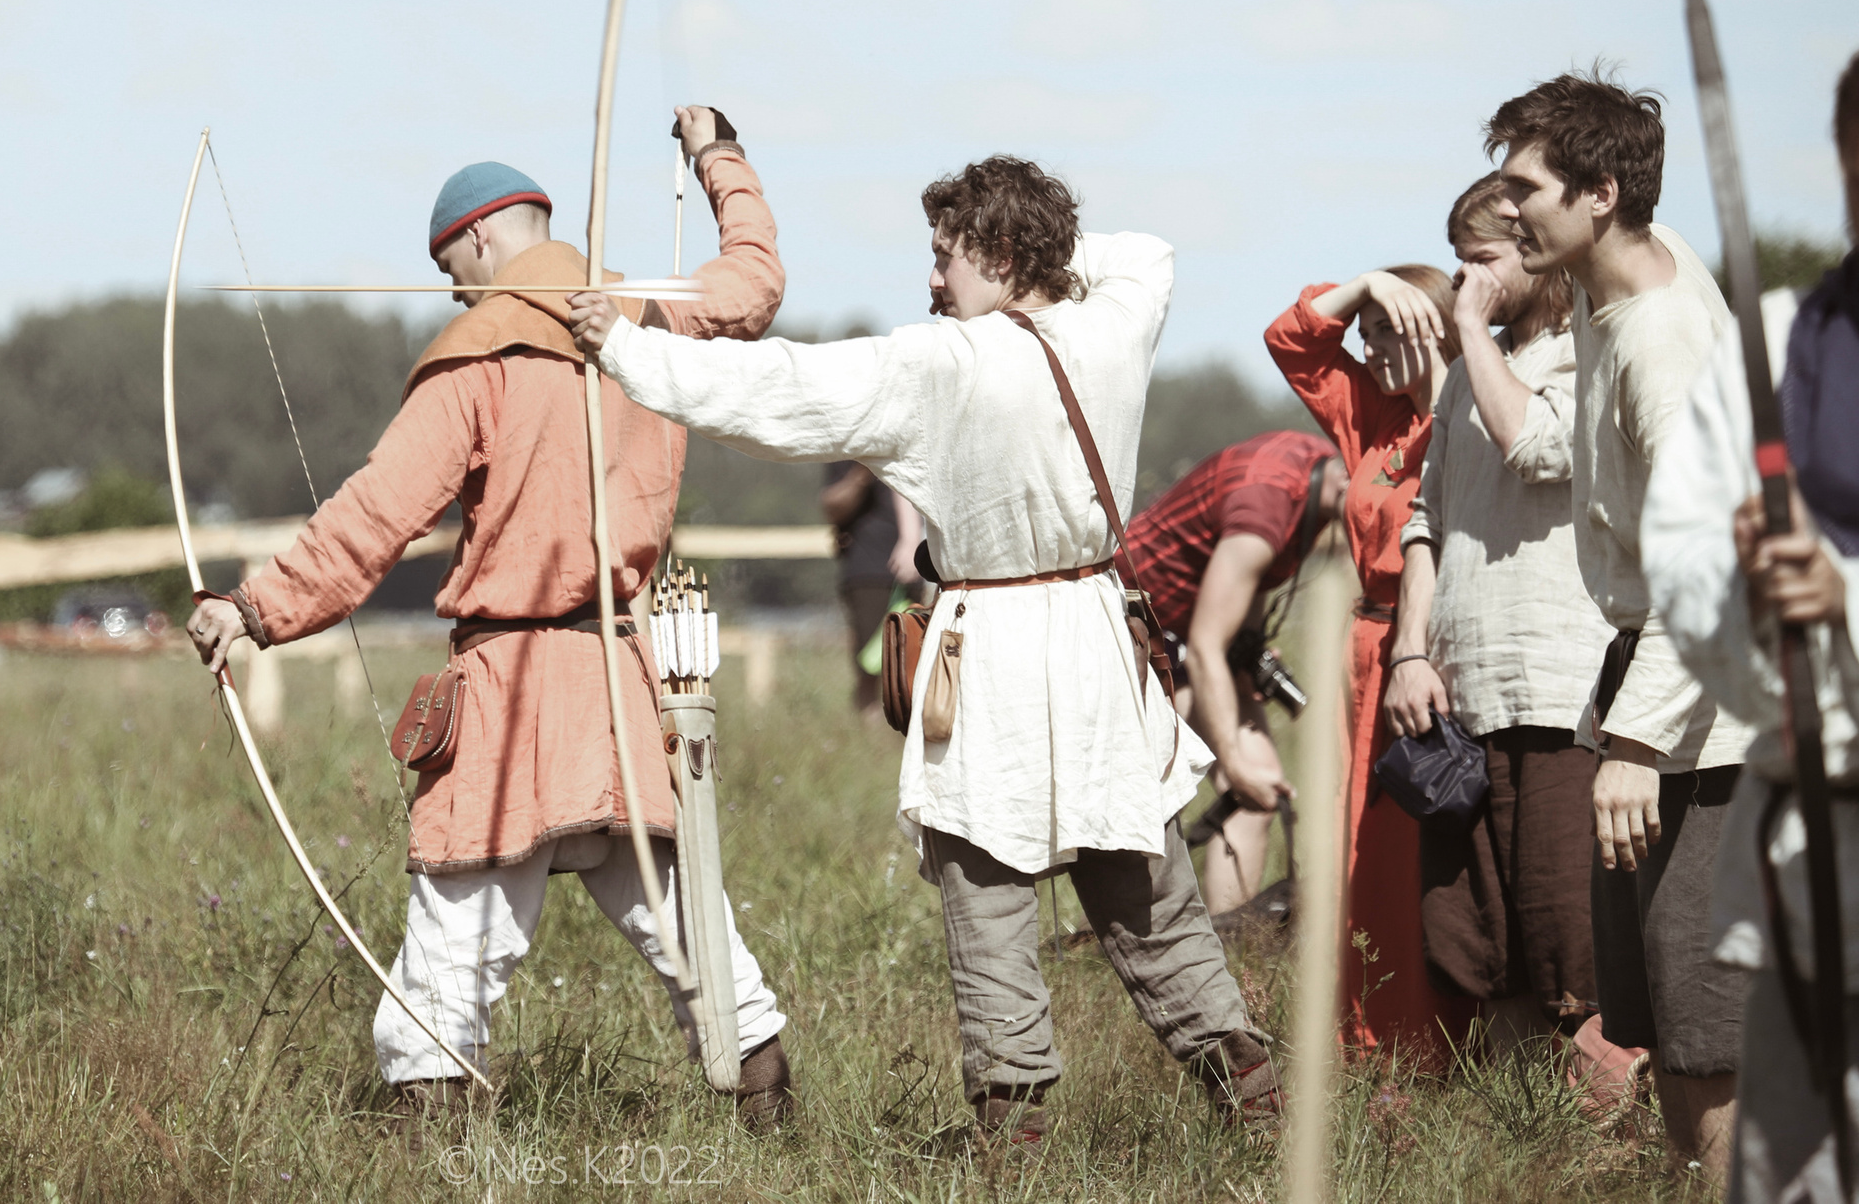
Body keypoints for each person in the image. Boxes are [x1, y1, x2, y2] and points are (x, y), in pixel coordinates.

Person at [572, 154, 1280, 1147]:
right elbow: (1143, 253)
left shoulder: (938, 364)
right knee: (1144, 888)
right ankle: (1255, 1095)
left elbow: (774, 389)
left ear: (995, 251)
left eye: (946, 257)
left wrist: (625, 346)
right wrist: (1040, 252)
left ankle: (1013, 1132)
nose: (932, 280)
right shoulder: (1113, 322)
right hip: (1091, 646)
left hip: (995, 652)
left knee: (986, 889)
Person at [182, 109, 796, 1127]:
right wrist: (718, 156)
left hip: (511, 695)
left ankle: (428, 1139)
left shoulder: (483, 351)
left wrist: (254, 609)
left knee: (456, 942)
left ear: (476, 239)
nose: (453, 291)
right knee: (689, 928)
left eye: (449, 269)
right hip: (625, 686)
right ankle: (770, 1130)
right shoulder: (651, 316)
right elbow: (756, 278)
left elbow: (377, 513)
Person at [1485, 69, 1753, 1176]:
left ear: (1598, 192)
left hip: (1707, 692)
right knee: (1658, 1003)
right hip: (1654, 665)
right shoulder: (1622, 271)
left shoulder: (1661, 339)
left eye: (1525, 188)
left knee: (1703, 1020)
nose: (1507, 210)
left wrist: (1637, 745)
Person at [1642, 50, 1859, 1202]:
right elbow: (1677, 560)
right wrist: (1746, 578)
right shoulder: (1777, 344)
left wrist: (1844, 599)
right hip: (1813, 844)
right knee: (1790, 1180)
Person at [1387, 175, 1621, 1064]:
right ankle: (1520, 1139)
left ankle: (1613, 1147)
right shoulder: (1461, 379)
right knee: (1484, 945)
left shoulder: (1585, 350)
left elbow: (1537, 448)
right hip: (1466, 694)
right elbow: (1426, 521)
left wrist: (1469, 336)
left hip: (1562, 689)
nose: (1465, 279)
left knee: (1574, 938)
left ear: (1532, 251)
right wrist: (1412, 651)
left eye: (1480, 259)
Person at [1265, 262, 1472, 1060]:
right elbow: (1293, 339)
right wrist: (1370, 285)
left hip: (1439, 655)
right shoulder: (1376, 420)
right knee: (1364, 852)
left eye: (1398, 328)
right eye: (1371, 332)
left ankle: (1441, 1045)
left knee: (1431, 854)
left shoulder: (1467, 414)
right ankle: (1378, 1041)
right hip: (1368, 657)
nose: (1377, 347)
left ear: (1443, 326)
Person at [1123, 430, 1345, 915]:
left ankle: (1233, 944)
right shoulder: (1268, 505)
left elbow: (1240, 588)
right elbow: (1204, 648)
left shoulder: (1313, 466)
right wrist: (1233, 762)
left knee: (1261, 789)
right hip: (1131, 633)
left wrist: (1249, 651)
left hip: (1184, 630)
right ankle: (1156, 936)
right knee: (1227, 784)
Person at [823, 462, 922, 712]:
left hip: (913, 570)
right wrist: (864, 471)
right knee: (870, 668)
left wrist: (910, 541)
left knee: (912, 665)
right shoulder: (847, 454)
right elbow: (832, 505)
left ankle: (900, 738)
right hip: (868, 573)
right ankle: (871, 739)